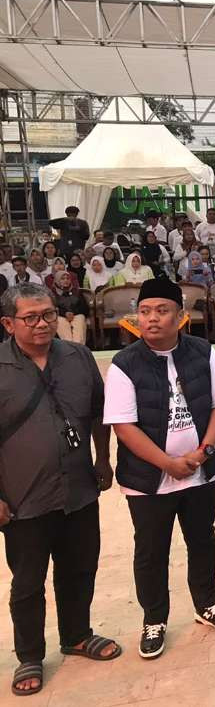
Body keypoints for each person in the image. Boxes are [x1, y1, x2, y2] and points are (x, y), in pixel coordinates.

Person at [102, 277, 215, 660]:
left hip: (200, 471)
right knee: (151, 550)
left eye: (162, 311)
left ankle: (206, 604)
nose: (151, 319)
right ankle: (154, 619)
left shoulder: (202, 352)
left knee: (202, 539)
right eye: (145, 312)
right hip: (148, 480)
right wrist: (167, 464)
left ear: (180, 316)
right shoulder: (124, 365)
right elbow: (123, 426)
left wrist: (203, 451)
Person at [0, 284, 120, 695]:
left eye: (48, 314)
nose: (42, 324)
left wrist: (103, 459)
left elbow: (101, 414)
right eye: (30, 317)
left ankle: (77, 635)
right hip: (22, 498)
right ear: (8, 323)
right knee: (28, 581)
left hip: (79, 490)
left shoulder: (78, 357)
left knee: (80, 567)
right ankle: (30, 655)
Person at [51, 268, 90, 344]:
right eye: (62, 278)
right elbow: (52, 309)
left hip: (76, 315)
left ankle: (78, 347)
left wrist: (73, 313)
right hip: (61, 316)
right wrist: (65, 313)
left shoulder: (77, 291)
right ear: (57, 280)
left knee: (80, 318)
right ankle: (69, 348)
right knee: (59, 320)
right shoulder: (52, 294)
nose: (66, 280)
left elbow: (85, 308)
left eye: (67, 278)